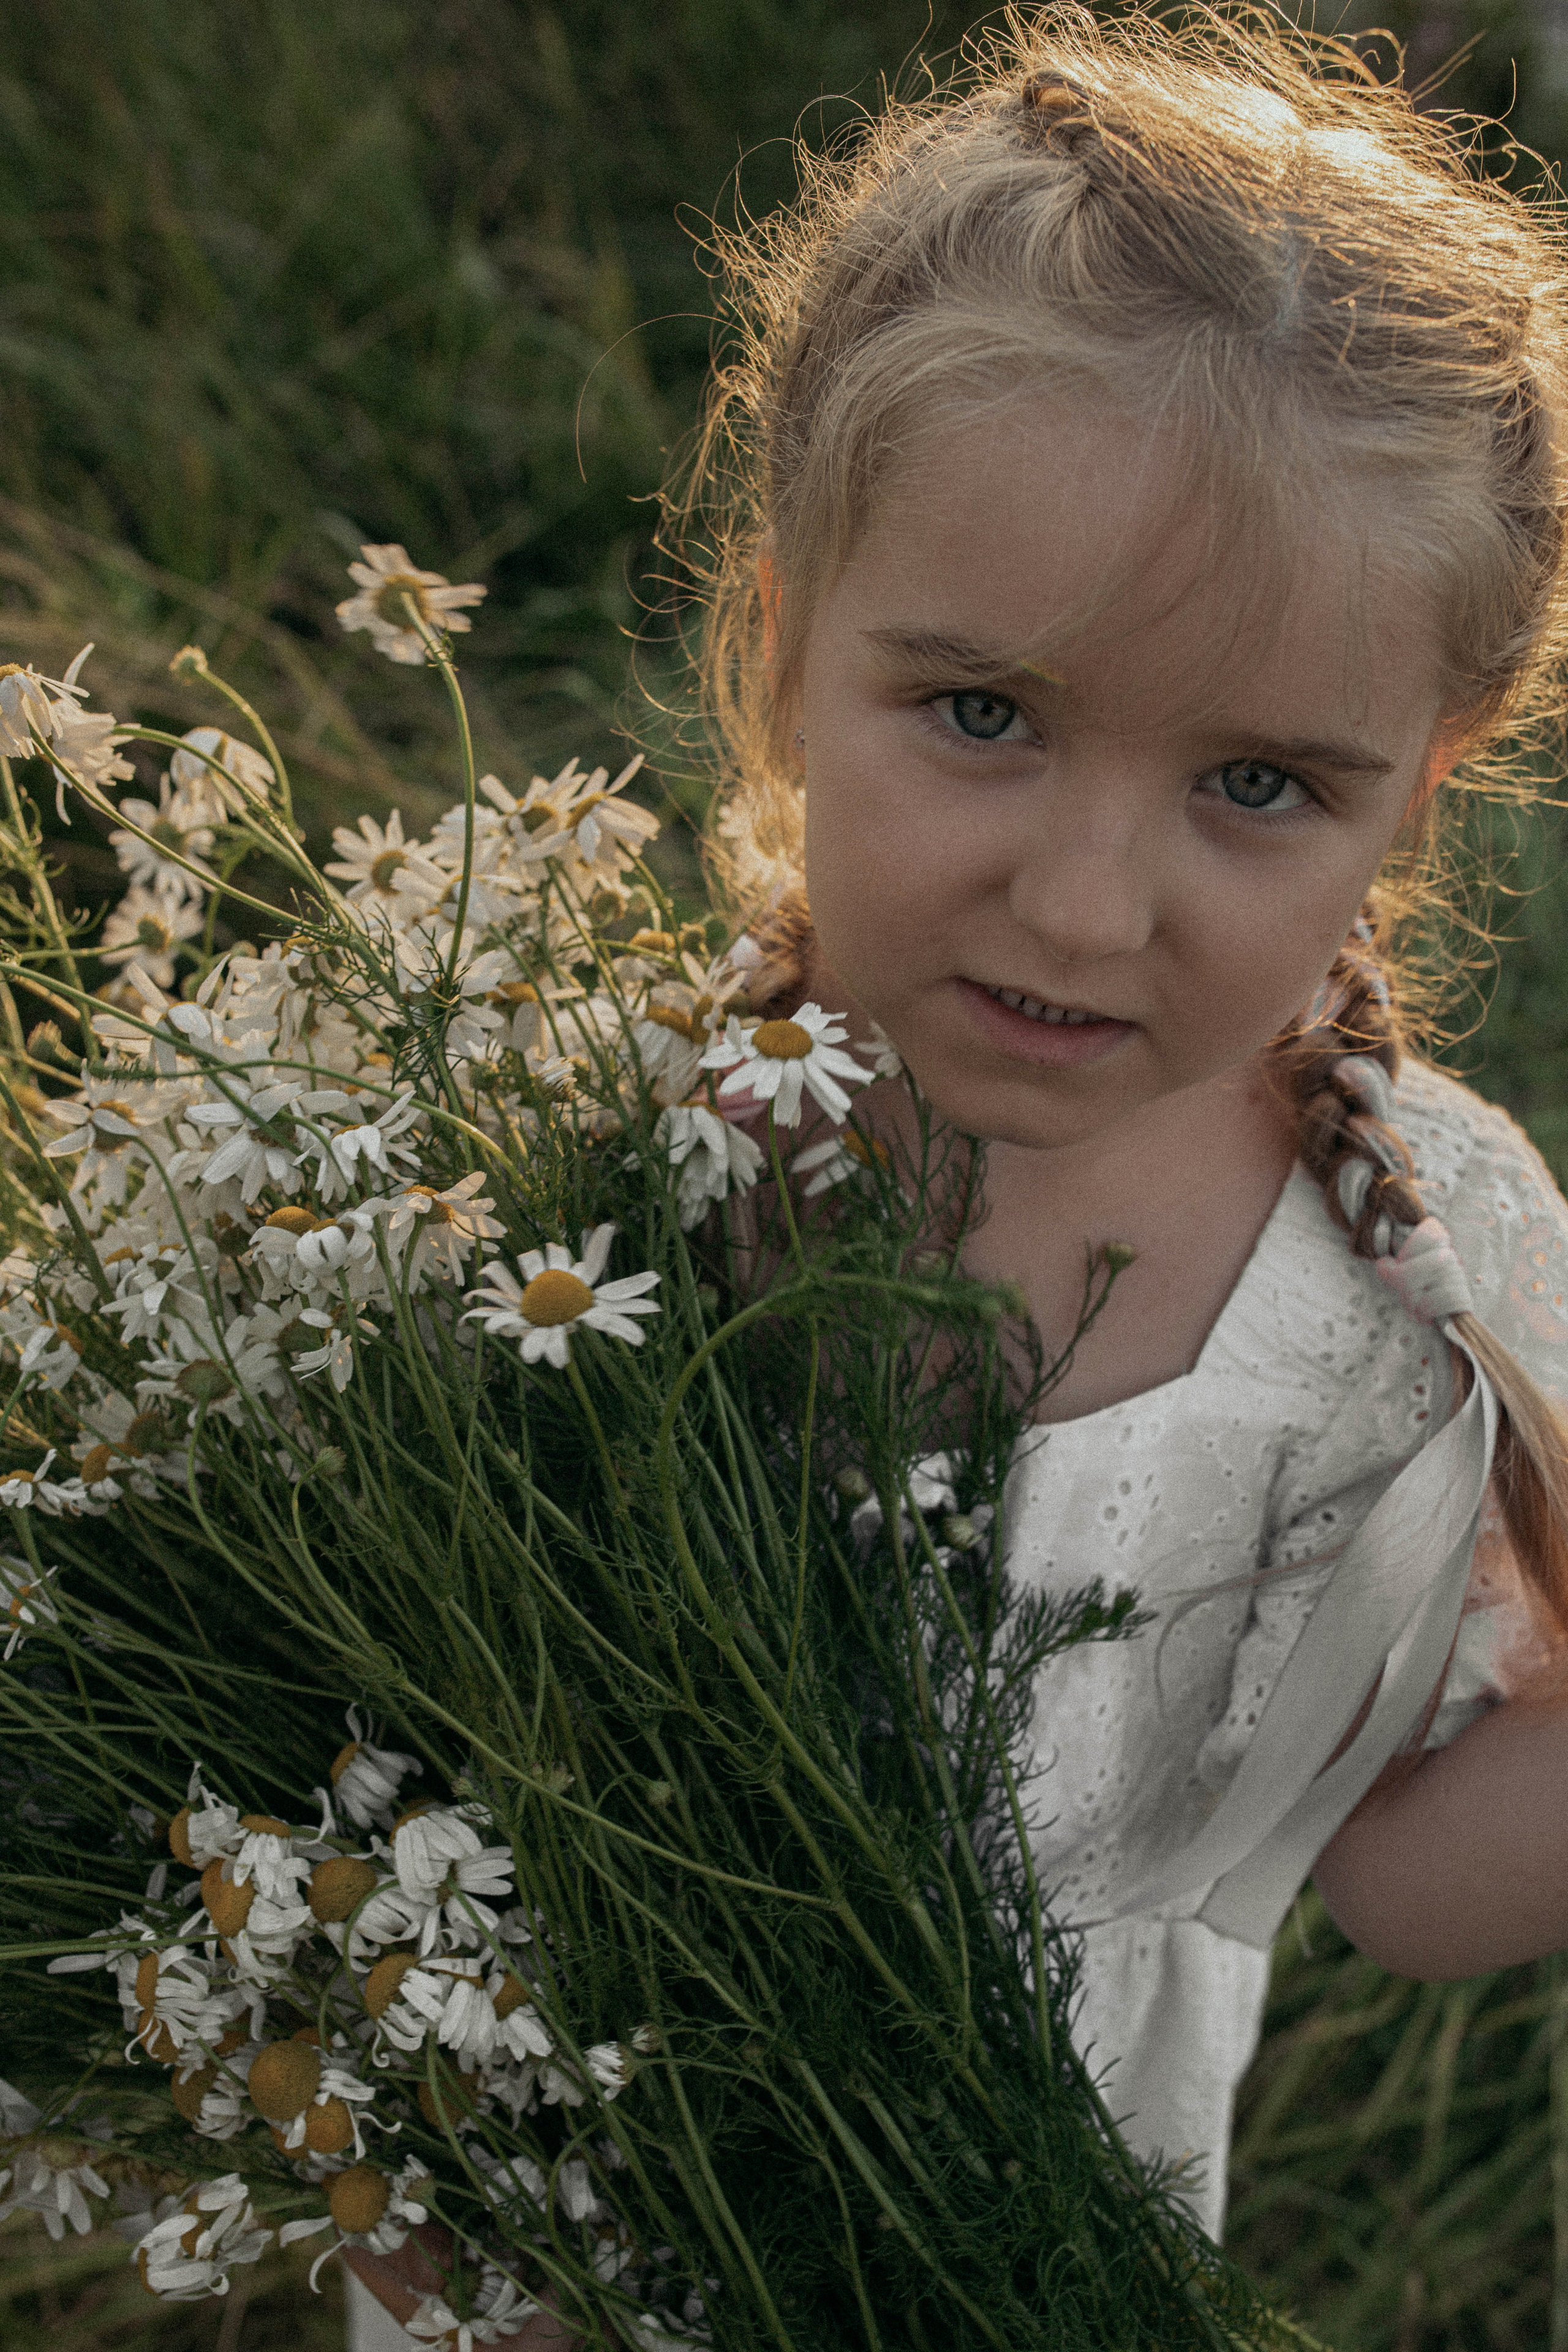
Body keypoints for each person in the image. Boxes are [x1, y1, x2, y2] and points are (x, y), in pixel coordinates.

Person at [348, 5, 1568, 2335]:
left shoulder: (1417, 1279)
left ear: (1431, 782)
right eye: (985, 716)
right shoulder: (551, 1166)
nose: (1090, 911)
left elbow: (1398, 1882)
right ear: (792, 629)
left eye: (1262, 784)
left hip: (1029, 2256)